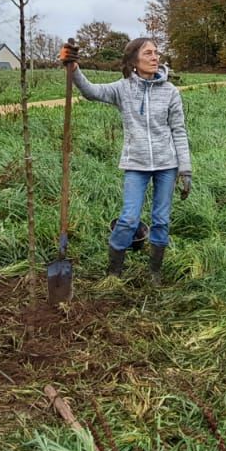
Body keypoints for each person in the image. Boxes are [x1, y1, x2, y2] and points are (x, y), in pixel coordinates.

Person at [61, 37, 192, 283]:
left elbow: (179, 130)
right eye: (148, 54)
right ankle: (114, 273)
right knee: (129, 218)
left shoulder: (170, 92)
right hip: (136, 165)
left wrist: (185, 169)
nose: (155, 58)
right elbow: (91, 92)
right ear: (134, 61)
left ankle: (154, 273)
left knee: (161, 220)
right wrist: (75, 70)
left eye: (156, 53)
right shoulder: (123, 89)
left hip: (167, 165)